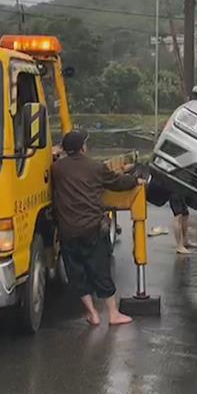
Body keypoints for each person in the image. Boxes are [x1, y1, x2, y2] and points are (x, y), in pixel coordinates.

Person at [51, 130, 139, 326]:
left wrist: (55, 153)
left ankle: (92, 314)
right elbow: (118, 183)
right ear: (83, 147)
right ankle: (113, 314)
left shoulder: (56, 169)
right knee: (101, 270)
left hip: (68, 230)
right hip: (92, 228)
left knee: (77, 273)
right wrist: (135, 179)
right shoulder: (95, 167)